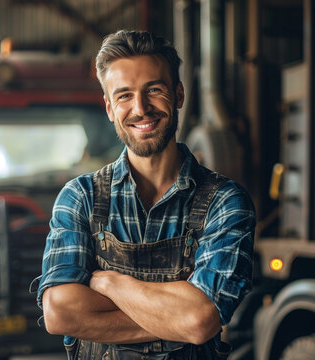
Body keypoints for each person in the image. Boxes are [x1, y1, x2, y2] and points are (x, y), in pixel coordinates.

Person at [33, 30, 256, 360]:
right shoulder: (80, 197)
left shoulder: (225, 202)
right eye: (124, 96)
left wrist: (109, 284)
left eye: (154, 90)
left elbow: (199, 320)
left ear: (178, 94)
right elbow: (59, 313)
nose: (140, 108)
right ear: (109, 109)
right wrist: (174, 317)